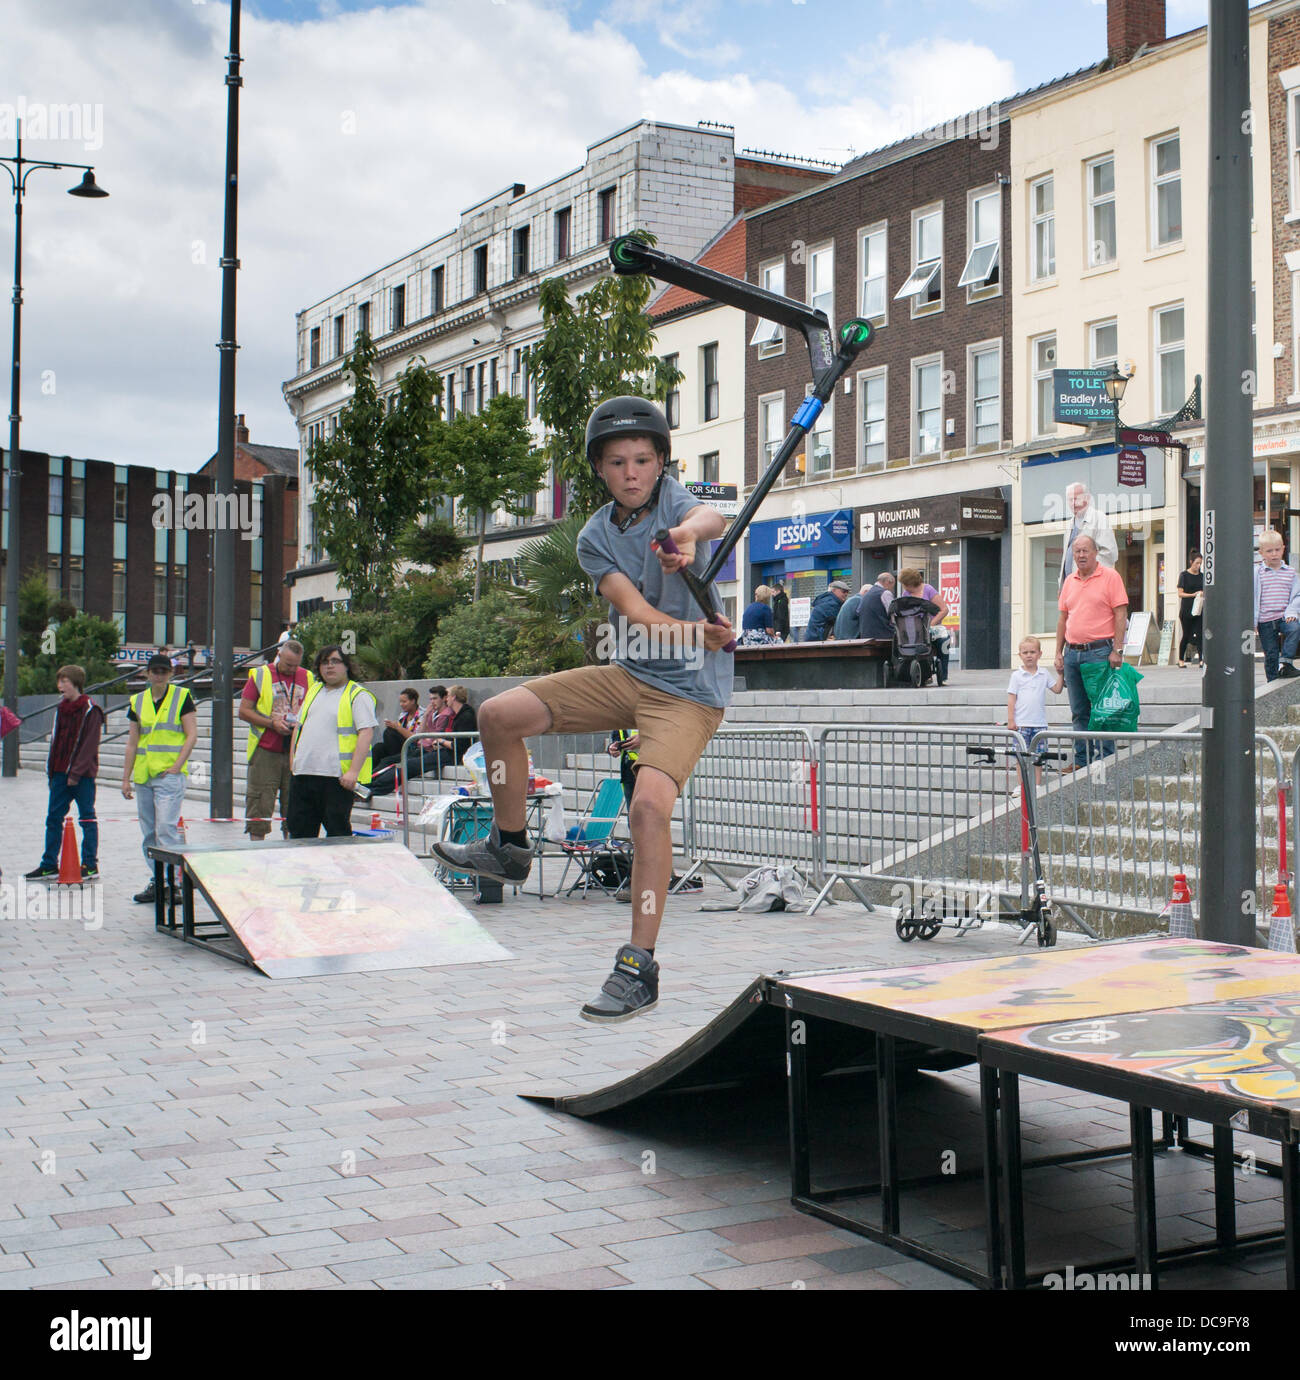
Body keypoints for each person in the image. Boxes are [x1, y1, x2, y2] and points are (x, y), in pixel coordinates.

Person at [431, 394, 732, 1023]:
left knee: (649, 805)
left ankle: (638, 966)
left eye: (643, 461)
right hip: (630, 674)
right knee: (496, 716)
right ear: (598, 468)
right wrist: (687, 631)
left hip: (689, 694)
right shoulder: (595, 536)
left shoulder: (677, 504)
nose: (632, 473)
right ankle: (510, 845)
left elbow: (710, 519)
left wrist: (682, 537)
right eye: (618, 462)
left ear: (659, 463)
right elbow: (636, 613)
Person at [122, 654, 198, 904]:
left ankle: (175, 882)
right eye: (155, 671)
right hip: (145, 774)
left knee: (166, 829)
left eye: (163, 671)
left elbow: (191, 735)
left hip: (168, 774)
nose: (159, 675)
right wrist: (126, 779)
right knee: (149, 832)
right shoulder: (137, 701)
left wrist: (178, 766)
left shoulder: (181, 697)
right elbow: (132, 742)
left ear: (170, 674)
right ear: (147, 673)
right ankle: (157, 879)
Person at [1054, 533, 1129, 769]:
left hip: (1099, 652)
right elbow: (1063, 618)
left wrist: (1117, 649)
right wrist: (1058, 652)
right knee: (1079, 711)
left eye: (1086, 550)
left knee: (1102, 709)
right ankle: (1081, 760)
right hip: (1072, 654)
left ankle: (1105, 759)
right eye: (1077, 551)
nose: (1081, 555)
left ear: (1096, 552)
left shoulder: (1110, 577)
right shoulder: (1069, 581)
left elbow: (1121, 614)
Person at [287, 645, 377, 837]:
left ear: (346, 666)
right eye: (324, 662)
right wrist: (293, 761)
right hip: (303, 773)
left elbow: (366, 732)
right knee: (299, 833)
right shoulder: (314, 691)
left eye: (335, 661)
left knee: (337, 833)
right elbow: (298, 727)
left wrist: (353, 771)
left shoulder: (357, 694)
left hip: (335, 778)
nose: (329, 667)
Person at [25, 665, 105, 882]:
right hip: (60, 773)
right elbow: (56, 742)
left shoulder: (91, 709)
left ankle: (90, 864)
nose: (60, 686)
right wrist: (52, 773)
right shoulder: (60, 709)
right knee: (53, 818)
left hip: (82, 776)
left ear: (76, 683)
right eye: (59, 681)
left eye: (65, 681)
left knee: (87, 817)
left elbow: (89, 745)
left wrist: (76, 773)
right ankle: (49, 864)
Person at [238, 639, 312, 840]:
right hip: (266, 750)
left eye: (296, 665)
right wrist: (272, 723)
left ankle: (291, 850)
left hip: (295, 751)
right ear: (279, 654)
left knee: (295, 806)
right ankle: (257, 849)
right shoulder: (261, 674)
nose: (292, 669)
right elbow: (244, 711)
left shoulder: (308, 677)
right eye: (288, 664)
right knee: (260, 804)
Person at [1006, 636, 1065, 780]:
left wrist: (1060, 674)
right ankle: (1021, 786)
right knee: (1020, 757)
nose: (1029, 656)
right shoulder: (1016, 676)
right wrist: (1011, 720)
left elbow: (1057, 689)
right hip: (1021, 724)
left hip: (1039, 724)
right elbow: (1011, 698)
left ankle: (1037, 784)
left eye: (1032, 652)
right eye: (1025, 653)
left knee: (1038, 758)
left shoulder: (1043, 673)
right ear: (1020, 655)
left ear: (1039, 654)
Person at [1254, 531, 1300, 681]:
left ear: (1283, 548)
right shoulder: (1257, 573)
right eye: (1269, 551)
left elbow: (1297, 594)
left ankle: (1286, 663)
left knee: (1294, 628)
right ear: (1261, 553)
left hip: (1284, 616)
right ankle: (1272, 681)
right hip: (1265, 620)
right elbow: (1251, 596)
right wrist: (1253, 620)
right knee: (1271, 653)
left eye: (1277, 550)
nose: (1274, 554)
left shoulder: (1290, 573)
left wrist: (1292, 611)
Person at [1058, 482, 1118, 587]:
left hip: (1090, 586)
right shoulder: (1070, 525)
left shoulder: (1099, 518)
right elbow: (1066, 558)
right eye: (1070, 500)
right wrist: (1062, 585)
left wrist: (1087, 576)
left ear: (1087, 498)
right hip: (1070, 587)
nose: (1073, 503)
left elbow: (1110, 553)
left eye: (1076, 499)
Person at [898, 568, 951, 685]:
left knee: (944, 641)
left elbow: (944, 610)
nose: (904, 587)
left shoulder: (928, 589)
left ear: (910, 583)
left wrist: (930, 624)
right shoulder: (906, 594)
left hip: (931, 627)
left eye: (905, 584)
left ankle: (943, 676)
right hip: (915, 629)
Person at [429, 685, 478, 776]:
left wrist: (441, 741)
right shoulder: (457, 714)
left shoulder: (465, 716)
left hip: (455, 756)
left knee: (414, 763)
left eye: (447, 696)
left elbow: (459, 746)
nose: (445, 699)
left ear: (453, 697)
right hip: (449, 753)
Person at [372, 687, 423, 771]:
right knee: (378, 747)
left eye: (404, 702)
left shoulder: (422, 715)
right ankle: (369, 774)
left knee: (390, 732)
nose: (401, 704)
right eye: (400, 702)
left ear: (413, 701)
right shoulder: (403, 715)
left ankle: (393, 760)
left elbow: (415, 738)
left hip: (412, 748)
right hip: (399, 746)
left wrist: (397, 727)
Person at [1176, 552, 1204, 667]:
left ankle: (1202, 659)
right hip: (1187, 609)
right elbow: (1180, 594)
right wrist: (1193, 594)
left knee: (1200, 634)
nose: (1198, 566)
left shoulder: (1202, 576)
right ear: (1191, 562)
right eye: (1197, 563)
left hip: (1199, 608)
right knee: (1186, 634)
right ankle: (1180, 659)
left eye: (1200, 564)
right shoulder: (1184, 575)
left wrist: (1202, 594)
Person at [855, 573, 896, 640]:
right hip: (883, 636)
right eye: (892, 585)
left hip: (866, 636)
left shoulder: (866, 594)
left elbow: (858, 612)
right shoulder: (885, 593)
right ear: (888, 582)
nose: (892, 589)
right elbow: (893, 616)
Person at [608, 728, 640, 811]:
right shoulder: (622, 717)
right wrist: (612, 748)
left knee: (650, 813)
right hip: (628, 771)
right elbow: (617, 738)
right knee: (633, 814)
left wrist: (644, 739)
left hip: (648, 768)